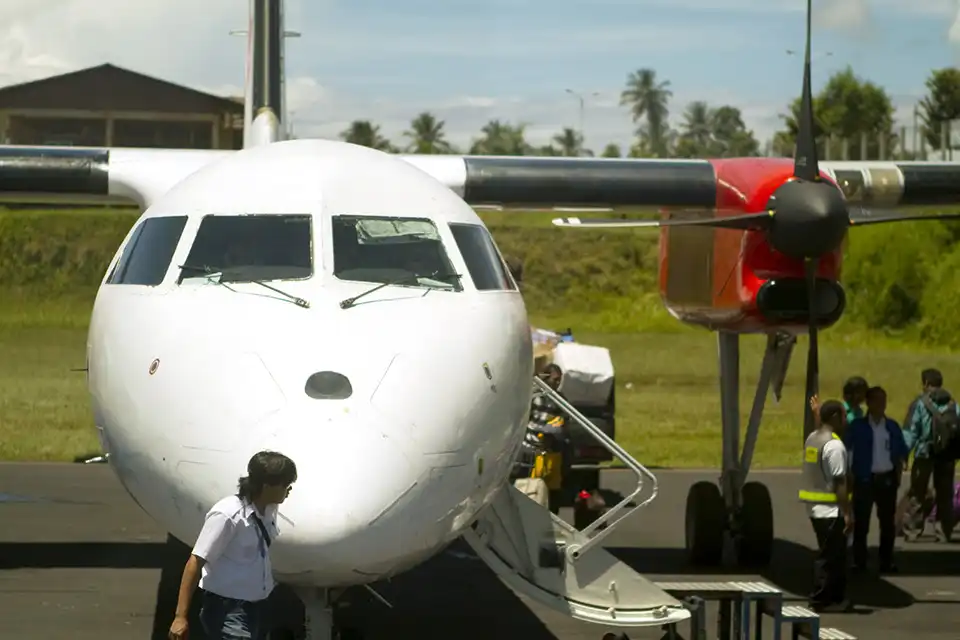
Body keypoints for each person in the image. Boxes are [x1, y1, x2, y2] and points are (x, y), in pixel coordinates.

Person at [168, 450, 298, 640]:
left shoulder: (269, 509)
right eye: (286, 485)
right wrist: (180, 617)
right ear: (267, 485)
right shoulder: (227, 515)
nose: (289, 490)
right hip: (228, 610)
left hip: (259, 607)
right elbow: (195, 562)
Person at [842, 386, 908, 572]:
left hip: (886, 480)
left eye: (884, 401)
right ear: (869, 403)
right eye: (877, 401)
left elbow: (901, 449)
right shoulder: (858, 427)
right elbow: (848, 451)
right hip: (864, 479)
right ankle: (859, 560)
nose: (881, 405)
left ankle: (886, 560)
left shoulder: (892, 426)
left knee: (887, 523)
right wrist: (849, 475)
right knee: (861, 522)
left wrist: (898, 471)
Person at [800, 396, 853, 613]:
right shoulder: (835, 446)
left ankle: (833, 598)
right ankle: (822, 599)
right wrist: (848, 513)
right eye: (843, 415)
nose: (846, 420)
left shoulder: (813, 438)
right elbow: (840, 483)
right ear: (834, 417)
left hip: (815, 508)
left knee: (831, 554)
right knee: (830, 557)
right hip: (831, 510)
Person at [903, 368, 959, 543]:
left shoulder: (919, 404)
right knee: (945, 493)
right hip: (947, 455)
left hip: (924, 454)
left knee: (917, 493)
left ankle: (913, 530)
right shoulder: (953, 405)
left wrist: (904, 454)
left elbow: (911, 432)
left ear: (925, 384)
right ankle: (943, 531)